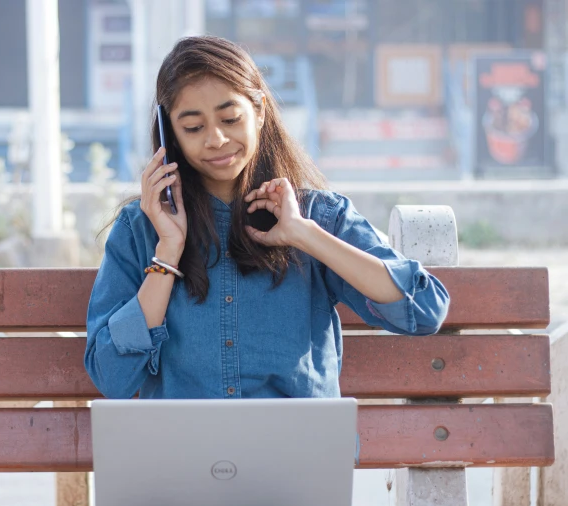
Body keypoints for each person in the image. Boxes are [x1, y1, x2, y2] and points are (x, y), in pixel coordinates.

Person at [85, 36, 449, 400]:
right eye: (193, 127)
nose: (215, 138)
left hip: (298, 452)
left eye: (230, 118)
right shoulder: (141, 228)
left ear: (259, 110)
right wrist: (167, 252)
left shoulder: (320, 215)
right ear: (171, 135)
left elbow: (424, 309)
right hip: (184, 452)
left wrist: (305, 235)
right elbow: (111, 376)